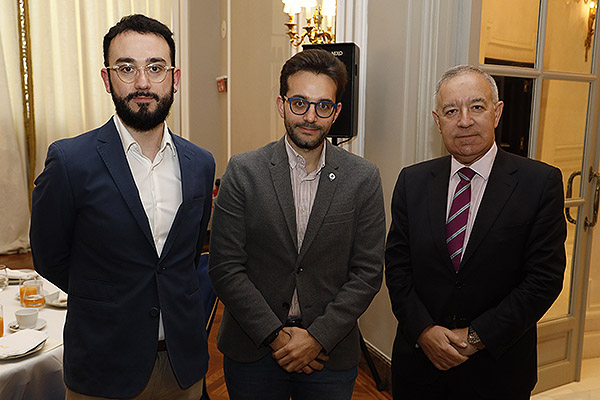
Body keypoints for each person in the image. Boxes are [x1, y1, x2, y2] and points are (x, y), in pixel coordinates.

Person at [30, 14, 215, 399]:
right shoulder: (70, 161)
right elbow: (49, 257)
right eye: (127, 68)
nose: (143, 82)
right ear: (107, 79)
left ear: (175, 79)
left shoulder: (201, 163)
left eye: (155, 68)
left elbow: (188, 253)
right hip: (103, 365)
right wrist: (110, 296)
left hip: (181, 365)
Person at [208, 48, 386, 400]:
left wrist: (317, 337)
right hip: (253, 350)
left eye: (323, 106)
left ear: (335, 113)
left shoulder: (363, 178)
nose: (310, 116)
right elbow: (226, 267)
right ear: (281, 105)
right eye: (299, 103)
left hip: (329, 354)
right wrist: (277, 336)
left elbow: (366, 272)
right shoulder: (243, 171)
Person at [385, 64, 567, 400]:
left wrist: (476, 337)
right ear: (438, 121)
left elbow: (544, 278)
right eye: (451, 110)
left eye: (477, 107)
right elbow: (397, 268)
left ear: (497, 113)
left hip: (498, 369)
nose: (464, 120)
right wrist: (424, 331)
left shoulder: (539, 183)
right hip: (420, 366)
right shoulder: (412, 182)